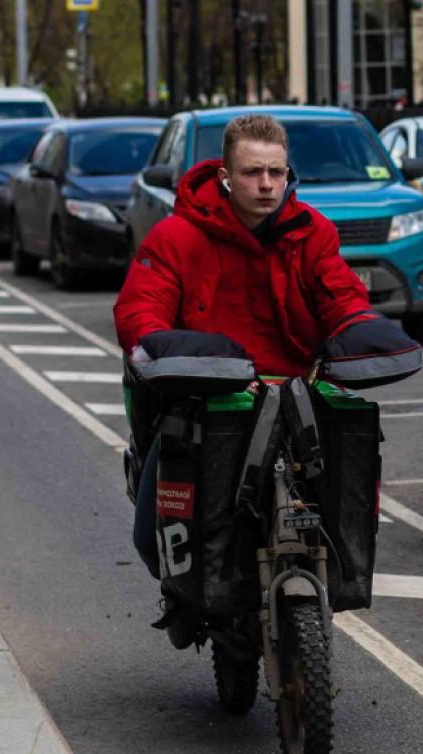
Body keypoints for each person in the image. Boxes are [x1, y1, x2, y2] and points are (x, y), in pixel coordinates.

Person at [113, 114, 374, 579]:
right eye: (253, 172)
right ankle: (186, 599)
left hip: (295, 398)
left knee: (350, 497)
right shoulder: (176, 237)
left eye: (277, 172)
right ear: (226, 176)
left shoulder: (313, 232)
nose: (267, 184)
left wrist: (360, 330)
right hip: (202, 397)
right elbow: (139, 309)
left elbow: (342, 297)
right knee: (152, 537)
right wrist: (164, 344)